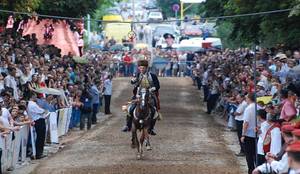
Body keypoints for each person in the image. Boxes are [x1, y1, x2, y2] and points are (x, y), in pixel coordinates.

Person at [122, 60, 160, 136]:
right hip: (139, 94)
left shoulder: (153, 76)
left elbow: (158, 86)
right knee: (131, 108)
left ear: (146, 68)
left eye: (143, 68)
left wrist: (152, 89)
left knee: (154, 109)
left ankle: (151, 128)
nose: (141, 69)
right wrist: (132, 80)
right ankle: (127, 125)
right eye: (140, 68)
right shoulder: (137, 74)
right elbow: (133, 82)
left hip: (150, 94)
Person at [27, 93, 48, 159]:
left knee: (39, 137)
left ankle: (38, 153)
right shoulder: (32, 104)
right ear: (32, 96)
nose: (36, 98)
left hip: (37, 120)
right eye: (35, 96)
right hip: (38, 120)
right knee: (40, 137)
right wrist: (44, 110)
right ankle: (39, 153)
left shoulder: (30, 104)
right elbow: (41, 111)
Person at [241, 93, 256, 174]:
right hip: (257, 134)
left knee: (249, 155)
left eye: (246, 97)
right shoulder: (258, 107)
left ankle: (251, 171)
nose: (245, 99)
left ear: (249, 98)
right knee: (255, 155)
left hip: (249, 134)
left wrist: (243, 134)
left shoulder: (248, 108)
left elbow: (246, 123)